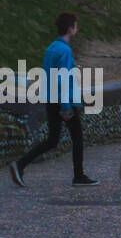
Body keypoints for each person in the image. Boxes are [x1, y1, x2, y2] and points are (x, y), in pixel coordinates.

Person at [10, 12, 98, 187]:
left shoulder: (51, 48)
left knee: (52, 140)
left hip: (51, 99)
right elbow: (63, 79)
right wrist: (66, 107)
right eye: (76, 25)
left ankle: (20, 164)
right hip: (65, 102)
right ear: (70, 28)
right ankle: (79, 176)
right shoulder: (65, 50)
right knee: (77, 138)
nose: (77, 28)